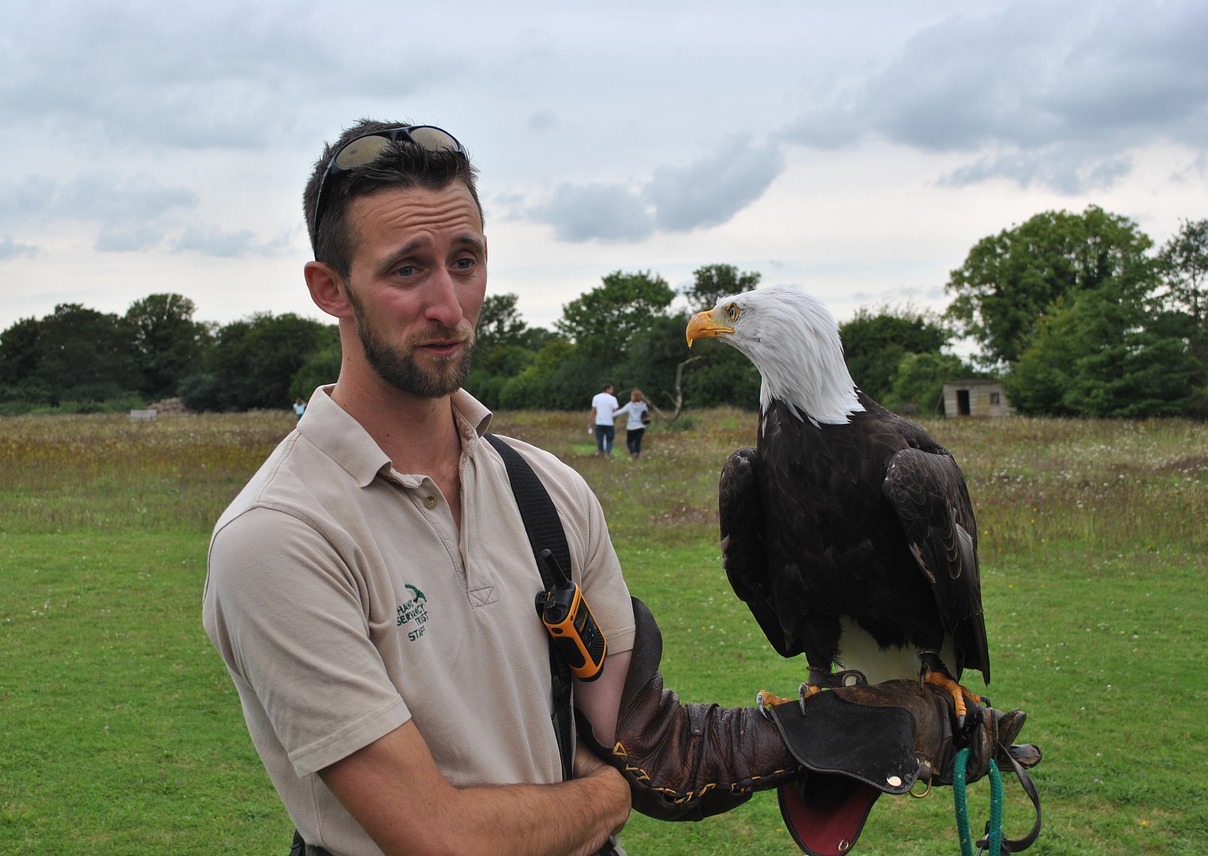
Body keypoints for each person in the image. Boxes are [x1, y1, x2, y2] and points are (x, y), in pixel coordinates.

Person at [202, 119, 1036, 856]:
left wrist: (858, 727)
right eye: (407, 269)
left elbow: (648, 746)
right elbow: (442, 840)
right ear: (328, 289)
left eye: (465, 261)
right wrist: (606, 796)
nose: (448, 305)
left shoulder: (551, 498)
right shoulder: (280, 537)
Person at [611, 389, 650, 458]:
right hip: (641, 426)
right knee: (638, 442)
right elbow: (646, 413)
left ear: (633, 397)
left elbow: (620, 412)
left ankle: (632, 451)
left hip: (631, 427)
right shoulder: (643, 405)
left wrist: (610, 415)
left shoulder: (630, 405)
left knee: (629, 442)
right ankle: (637, 454)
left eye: (631, 396)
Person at [589, 383, 620, 456]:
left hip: (599, 421)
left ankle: (600, 451)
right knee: (609, 439)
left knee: (600, 438)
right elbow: (615, 411)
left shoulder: (596, 397)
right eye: (611, 389)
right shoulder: (613, 399)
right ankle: (607, 452)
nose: (612, 390)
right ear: (607, 389)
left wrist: (590, 422)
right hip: (609, 422)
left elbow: (593, 410)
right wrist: (615, 421)